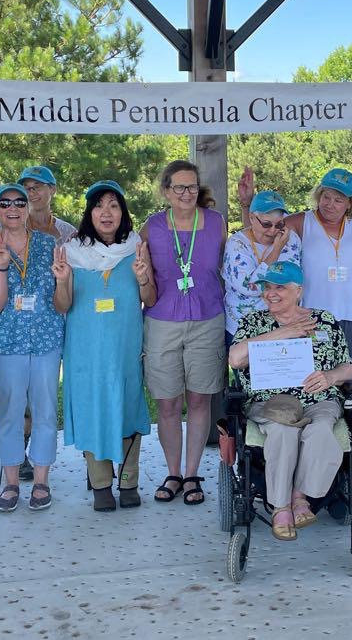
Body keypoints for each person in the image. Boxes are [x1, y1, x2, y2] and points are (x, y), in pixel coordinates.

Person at [239, 166, 352, 485]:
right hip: (313, 318)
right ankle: (310, 459)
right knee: (312, 385)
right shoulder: (301, 221)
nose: (330, 203)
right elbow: (263, 234)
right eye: (325, 195)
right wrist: (247, 207)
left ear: (350, 202)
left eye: (338, 198)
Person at [228, 261, 352, 541]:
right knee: (283, 430)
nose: (271, 293)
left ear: (299, 290)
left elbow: (349, 368)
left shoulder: (325, 320)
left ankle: (300, 497)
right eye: (267, 287)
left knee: (321, 429)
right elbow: (236, 360)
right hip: (271, 402)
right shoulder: (254, 323)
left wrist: (331, 377)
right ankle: (281, 507)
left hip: (318, 399)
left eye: (280, 287)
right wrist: (284, 331)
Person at [53, 181, 154, 512]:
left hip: (124, 347)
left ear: (123, 212)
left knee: (127, 406)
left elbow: (149, 298)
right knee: (93, 408)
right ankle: (100, 485)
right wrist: (62, 278)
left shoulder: (135, 248)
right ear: (89, 213)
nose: (107, 212)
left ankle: (128, 482)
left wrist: (142, 277)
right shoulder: (72, 252)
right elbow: (63, 305)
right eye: (99, 205)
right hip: (86, 350)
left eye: (114, 205)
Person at [0, 167, 74, 481]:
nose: (13, 208)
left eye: (20, 202)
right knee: (10, 414)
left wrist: (62, 281)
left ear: (28, 207)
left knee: (45, 412)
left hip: (46, 342)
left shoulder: (51, 246)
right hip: (5, 344)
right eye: (4, 203)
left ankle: (42, 481)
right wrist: (2, 267)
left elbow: (63, 305)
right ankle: (12, 481)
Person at [141, 160, 226, 506]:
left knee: (200, 399)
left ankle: (192, 474)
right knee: (168, 402)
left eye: (192, 186)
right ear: (166, 191)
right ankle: (173, 472)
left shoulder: (217, 223)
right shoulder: (153, 227)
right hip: (163, 322)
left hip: (208, 319)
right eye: (179, 187)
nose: (186, 193)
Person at [222, 189, 301, 349]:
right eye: (266, 224)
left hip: (283, 324)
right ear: (251, 218)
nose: (272, 230)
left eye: (279, 224)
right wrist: (277, 249)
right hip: (244, 326)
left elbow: (294, 279)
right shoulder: (237, 244)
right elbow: (252, 287)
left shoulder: (291, 239)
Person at [0, 166, 76, 248]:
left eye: (37, 186)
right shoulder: (10, 224)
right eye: (26, 188)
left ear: (53, 189)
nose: (31, 192)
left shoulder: (66, 231)